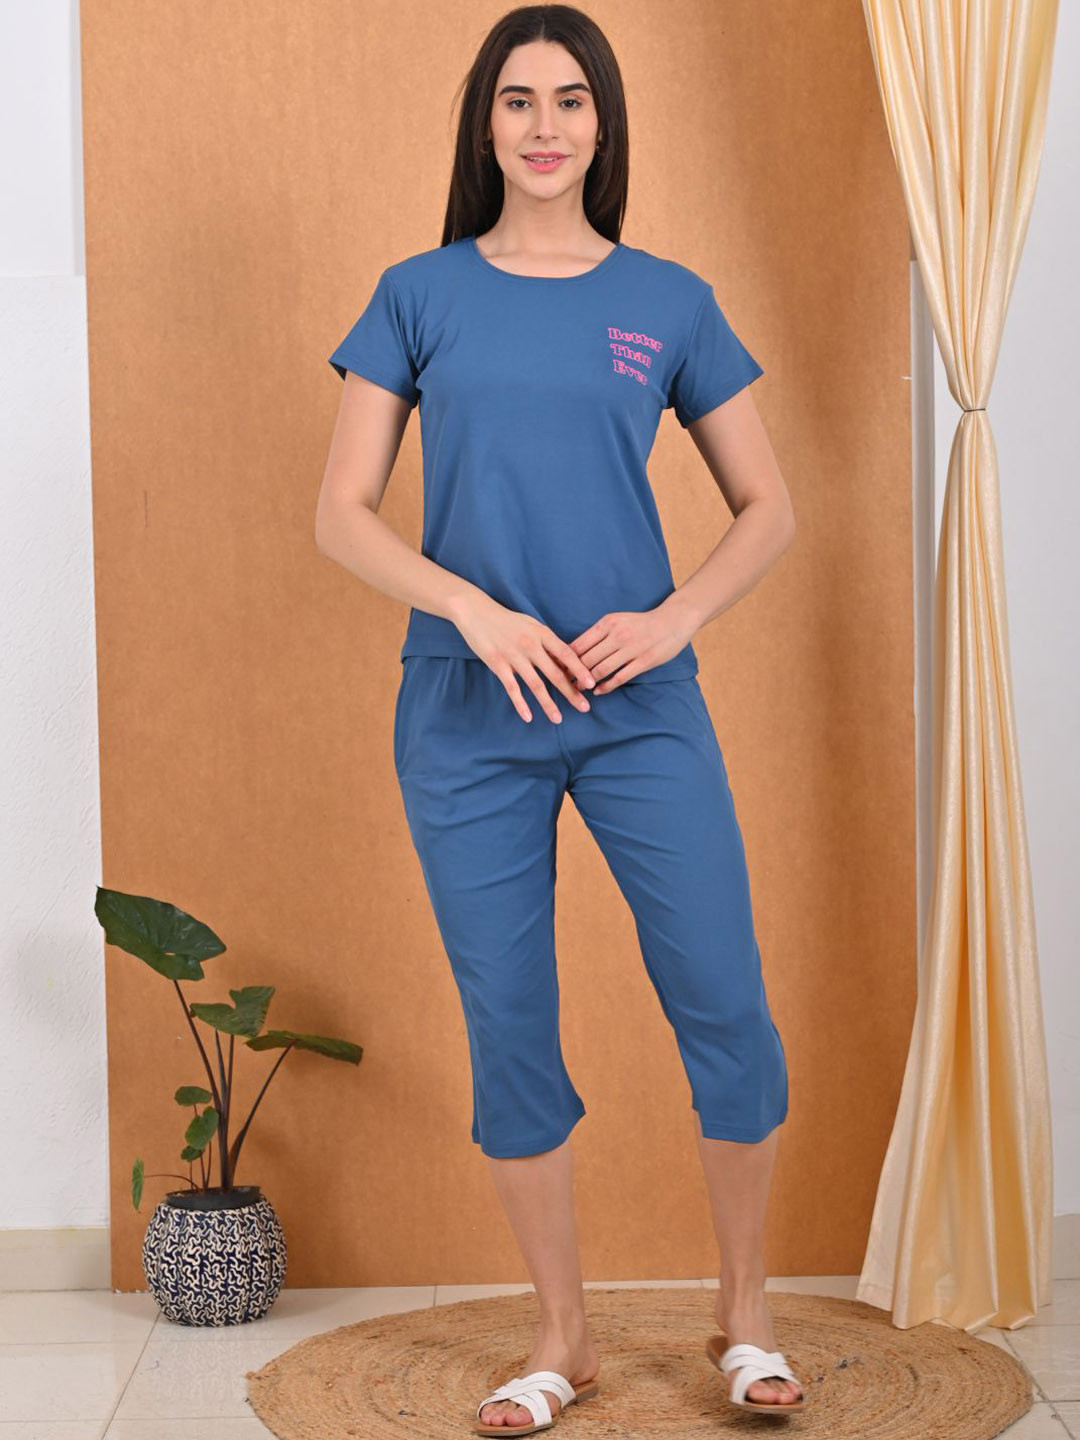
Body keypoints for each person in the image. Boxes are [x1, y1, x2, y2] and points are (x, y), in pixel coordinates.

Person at [316, 4, 805, 1428]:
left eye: (571, 99)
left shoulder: (669, 299)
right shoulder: (417, 294)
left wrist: (675, 618)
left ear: (604, 123)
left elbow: (767, 506)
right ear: (486, 123)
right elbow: (341, 513)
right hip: (466, 714)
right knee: (510, 1022)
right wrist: (469, 609)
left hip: (640, 708)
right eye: (519, 99)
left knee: (725, 999)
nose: (545, 125)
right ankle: (563, 1335)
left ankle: (746, 1314)